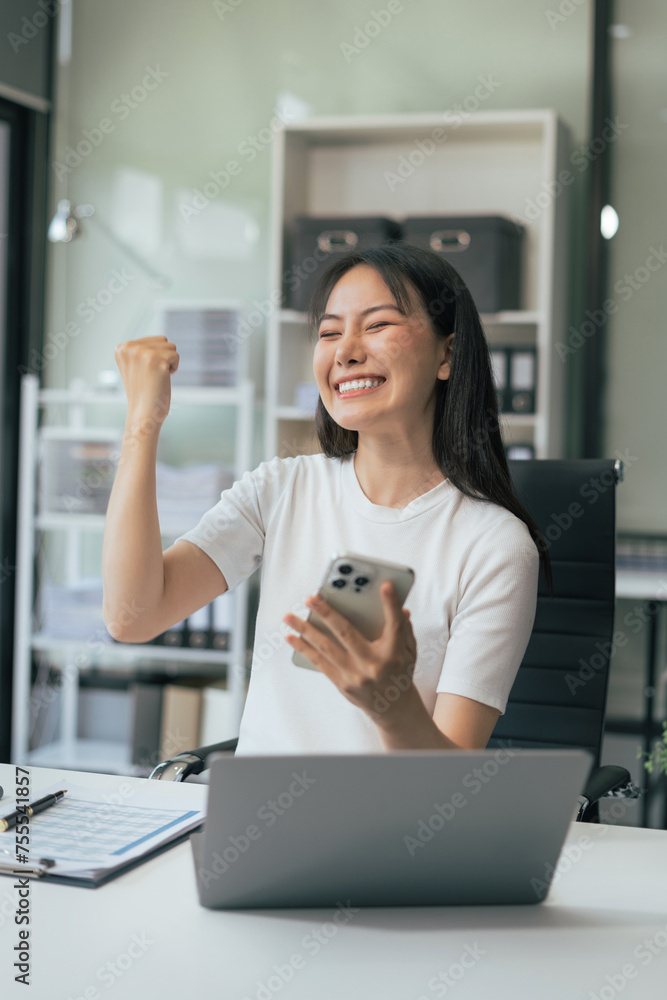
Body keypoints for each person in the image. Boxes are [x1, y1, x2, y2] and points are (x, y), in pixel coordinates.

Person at [102, 241, 551, 756]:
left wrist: (392, 706)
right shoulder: (280, 490)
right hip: (254, 804)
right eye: (330, 332)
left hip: (386, 811)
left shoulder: (495, 545)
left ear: (447, 355)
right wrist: (142, 422)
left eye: (377, 325)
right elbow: (132, 617)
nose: (345, 352)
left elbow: (452, 785)